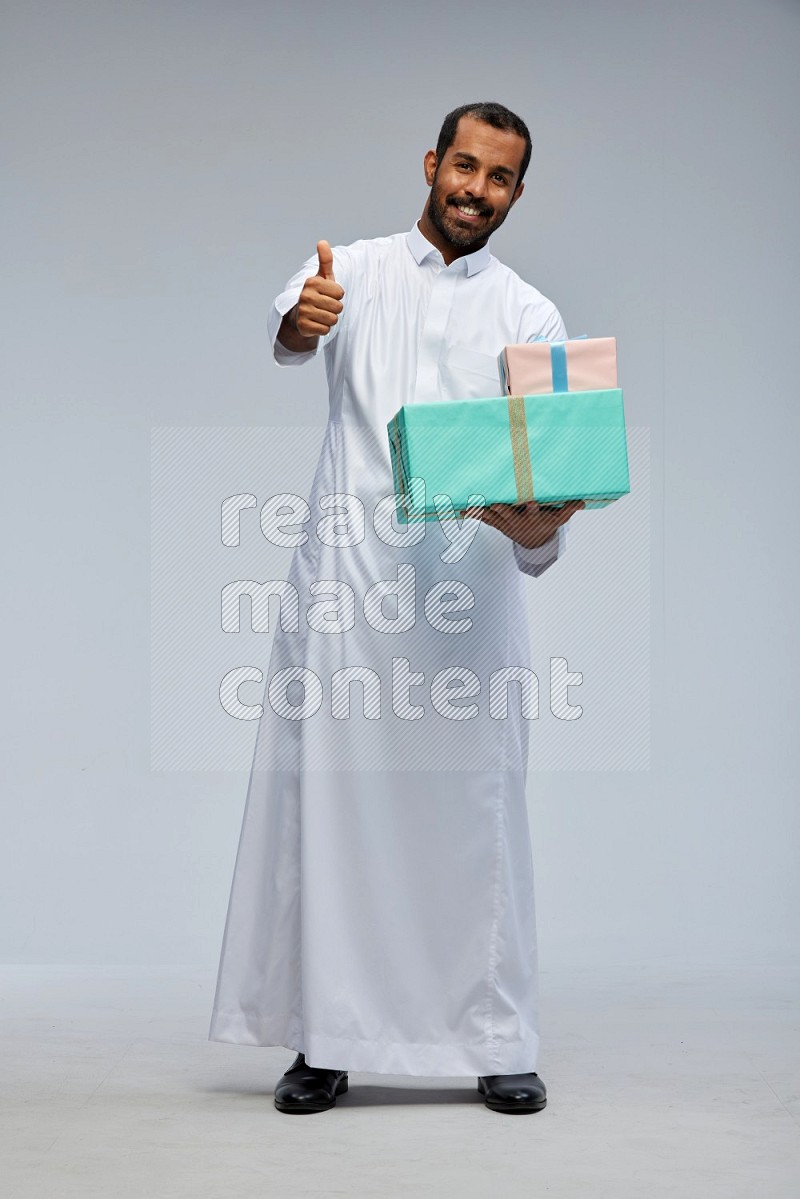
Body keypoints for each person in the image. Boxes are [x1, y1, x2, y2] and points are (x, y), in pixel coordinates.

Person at [208, 101, 584, 1115]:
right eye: (463, 166)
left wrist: (542, 516)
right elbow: (292, 331)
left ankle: (497, 1035)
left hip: (468, 602)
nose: (474, 189)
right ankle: (323, 1041)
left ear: (514, 192)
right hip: (347, 596)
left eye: (498, 177)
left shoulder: (529, 315)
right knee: (330, 816)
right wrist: (301, 321)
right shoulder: (352, 268)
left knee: (478, 817)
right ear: (431, 164)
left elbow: (545, 492)